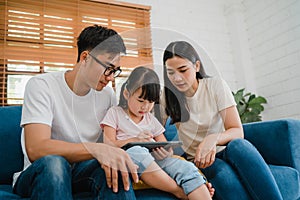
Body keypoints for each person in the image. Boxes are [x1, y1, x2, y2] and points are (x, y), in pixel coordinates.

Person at [13, 25, 139, 200]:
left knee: (114, 166)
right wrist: (96, 149)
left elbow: (110, 143)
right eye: (108, 68)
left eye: (115, 71)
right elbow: (36, 148)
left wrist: (136, 141)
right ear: (85, 57)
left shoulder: (107, 94)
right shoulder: (42, 85)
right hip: (42, 173)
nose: (111, 77)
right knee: (55, 163)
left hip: (82, 172)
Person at [160, 41, 283, 200]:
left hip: (225, 149)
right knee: (224, 174)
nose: (177, 78)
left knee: (240, 145)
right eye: (171, 72)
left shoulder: (215, 85)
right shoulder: (167, 97)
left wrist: (213, 138)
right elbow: (154, 131)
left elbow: (237, 131)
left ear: (196, 66)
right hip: (200, 159)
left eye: (183, 70)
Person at [101, 66, 213, 200]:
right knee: (137, 151)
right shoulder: (115, 113)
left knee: (185, 167)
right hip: (132, 160)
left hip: (156, 161)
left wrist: (166, 152)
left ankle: (199, 191)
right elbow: (108, 144)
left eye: (151, 102)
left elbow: (165, 144)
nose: (145, 107)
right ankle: (178, 191)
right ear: (126, 94)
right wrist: (134, 140)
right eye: (141, 101)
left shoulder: (151, 119)